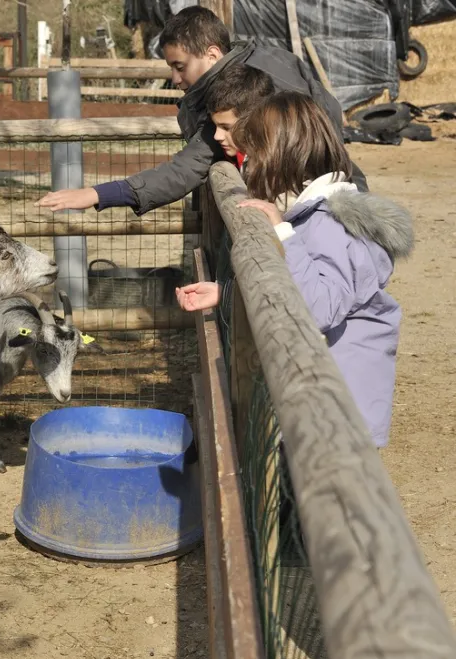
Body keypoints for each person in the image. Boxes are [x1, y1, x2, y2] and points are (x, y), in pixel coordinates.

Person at [175, 91, 413, 448]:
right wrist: (227, 293)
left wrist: (283, 234)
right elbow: (303, 286)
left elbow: (318, 309)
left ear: (278, 156)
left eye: (252, 156)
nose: (248, 166)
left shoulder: (331, 225)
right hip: (321, 406)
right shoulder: (313, 216)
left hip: (336, 420)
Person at [35, 5, 367, 216]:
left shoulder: (251, 92)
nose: (175, 78)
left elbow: (185, 169)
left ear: (210, 54)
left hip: (315, 206)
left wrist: (96, 193)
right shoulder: (249, 72)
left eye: (180, 66)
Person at [204, 61, 275, 172]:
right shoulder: (241, 156)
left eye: (226, 127)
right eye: (215, 126)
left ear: (255, 120)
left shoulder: (272, 169)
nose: (217, 136)